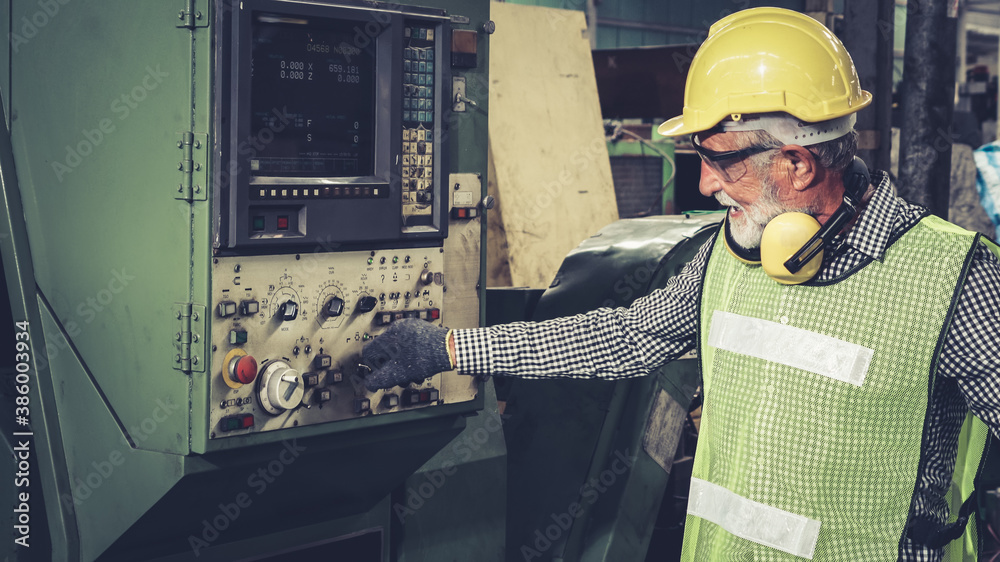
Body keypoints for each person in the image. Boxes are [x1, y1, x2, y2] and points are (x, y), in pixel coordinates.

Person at [362, 7, 1000, 561]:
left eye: (719, 160)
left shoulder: (950, 279)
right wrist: (450, 350)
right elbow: (625, 338)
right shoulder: (730, 255)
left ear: (798, 162)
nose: (704, 185)